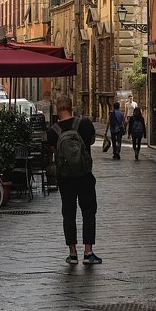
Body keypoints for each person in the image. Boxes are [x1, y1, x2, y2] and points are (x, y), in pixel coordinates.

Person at [46, 95, 101, 266]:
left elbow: (54, 150)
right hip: (85, 176)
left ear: (57, 109)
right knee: (89, 213)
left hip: (65, 178)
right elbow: (91, 142)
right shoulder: (84, 124)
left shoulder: (52, 131)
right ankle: (88, 252)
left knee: (68, 213)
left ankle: (72, 253)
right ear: (72, 107)